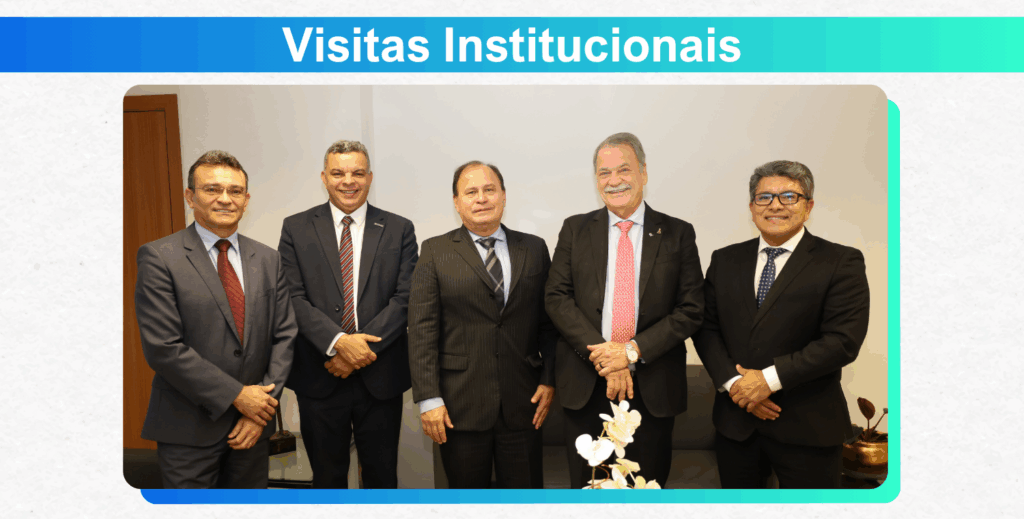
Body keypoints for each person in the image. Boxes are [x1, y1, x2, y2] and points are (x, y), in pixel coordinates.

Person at [693, 160, 870, 489]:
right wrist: (736, 385)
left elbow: (842, 341)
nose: (775, 205)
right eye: (764, 197)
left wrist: (767, 381)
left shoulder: (841, 261)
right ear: (752, 207)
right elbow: (706, 328)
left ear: (808, 206)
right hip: (737, 424)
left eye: (789, 196)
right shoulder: (725, 259)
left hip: (808, 427)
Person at [545, 132, 704, 489]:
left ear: (643, 173)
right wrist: (607, 356)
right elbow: (556, 297)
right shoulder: (575, 229)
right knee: (588, 491)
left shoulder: (678, 233)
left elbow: (691, 309)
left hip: (653, 388)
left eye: (624, 170)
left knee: (645, 492)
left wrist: (630, 351)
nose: (614, 180)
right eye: (604, 173)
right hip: (586, 385)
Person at [134, 150, 297, 489]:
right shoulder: (160, 257)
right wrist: (239, 396)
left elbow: (284, 336)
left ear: (246, 200)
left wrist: (260, 410)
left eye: (235, 191)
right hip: (188, 431)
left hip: (252, 430)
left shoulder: (268, 258)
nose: (225, 199)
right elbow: (164, 347)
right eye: (212, 189)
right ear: (190, 196)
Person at [277, 140, 418, 488]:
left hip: (380, 376)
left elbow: (406, 298)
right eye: (338, 173)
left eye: (357, 173)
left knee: (382, 479)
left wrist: (358, 352)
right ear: (324, 177)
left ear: (369, 177)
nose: (348, 181)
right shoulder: (296, 227)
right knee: (327, 481)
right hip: (319, 373)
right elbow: (291, 296)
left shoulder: (399, 228)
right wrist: (338, 342)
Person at [408, 161, 557, 489]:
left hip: (524, 403)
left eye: (489, 190)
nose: (481, 198)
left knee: (525, 503)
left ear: (503, 196)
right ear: (456, 201)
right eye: (471, 192)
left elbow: (548, 324)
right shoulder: (435, 251)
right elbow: (422, 331)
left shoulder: (534, 248)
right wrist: (429, 399)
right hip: (458, 407)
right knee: (466, 503)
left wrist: (549, 380)